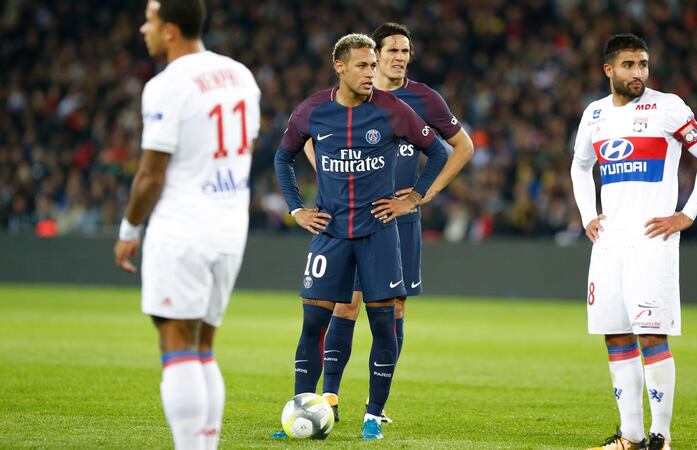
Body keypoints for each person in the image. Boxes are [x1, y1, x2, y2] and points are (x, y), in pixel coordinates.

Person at [272, 33, 447, 440]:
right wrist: (296, 209)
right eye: (363, 66)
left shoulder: (393, 110)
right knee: (312, 324)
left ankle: (373, 415)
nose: (371, 72)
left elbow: (438, 150)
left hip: (378, 234)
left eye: (373, 65)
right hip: (330, 233)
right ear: (340, 67)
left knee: (384, 326)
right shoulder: (312, 111)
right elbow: (284, 156)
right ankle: (301, 408)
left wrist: (413, 198)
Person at [301, 22, 474, 424]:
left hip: (399, 220)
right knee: (346, 304)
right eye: (392, 51)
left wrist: (425, 193)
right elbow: (308, 136)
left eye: (405, 51)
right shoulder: (348, 97)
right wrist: (329, 176)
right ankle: (330, 397)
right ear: (375, 56)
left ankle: (375, 410)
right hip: (351, 218)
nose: (400, 58)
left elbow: (462, 146)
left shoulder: (424, 99)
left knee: (394, 309)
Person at [113, 1, 260, 448]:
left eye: (150, 21)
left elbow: (150, 176)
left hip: (183, 229)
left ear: (170, 29)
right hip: (230, 227)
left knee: (176, 342)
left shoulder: (166, 86)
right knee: (204, 348)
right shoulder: (240, 75)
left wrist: (129, 230)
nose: (144, 29)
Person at [570, 34, 697, 450]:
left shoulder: (668, 107)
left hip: (652, 240)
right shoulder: (595, 114)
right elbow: (580, 166)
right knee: (616, 335)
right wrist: (587, 216)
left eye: (643, 64)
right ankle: (632, 437)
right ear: (609, 70)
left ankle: (661, 437)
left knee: (651, 335)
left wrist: (687, 214)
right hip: (609, 243)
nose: (638, 72)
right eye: (629, 65)